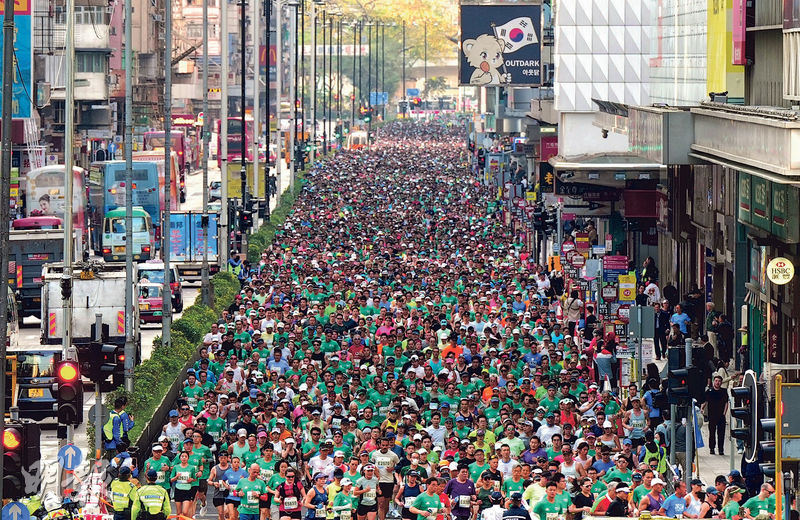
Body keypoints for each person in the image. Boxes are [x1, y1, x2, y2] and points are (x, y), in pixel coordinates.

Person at [703, 375, 729, 456]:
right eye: (716, 381)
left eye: (719, 381)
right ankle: (712, 448)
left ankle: (721, 449)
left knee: (721, 434)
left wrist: (724, 413)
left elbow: (726, 403)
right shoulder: (709, 391)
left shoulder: (724, 391)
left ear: (721, 383)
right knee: (712, 433)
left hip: (721, 415)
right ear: (714, 381)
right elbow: (705, 401)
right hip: (712, 415)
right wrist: (702, 409)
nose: (717, 383)